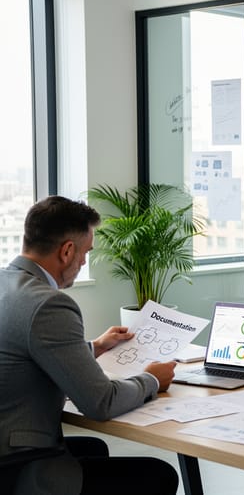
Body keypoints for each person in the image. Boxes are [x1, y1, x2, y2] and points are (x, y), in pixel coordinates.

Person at [0, 195, 179, 495]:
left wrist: (94, 347)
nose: (84, 262)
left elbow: (24, 351)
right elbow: (101, 402)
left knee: (93, 447)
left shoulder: (9, 285)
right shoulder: (49, 304)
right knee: (159, 475)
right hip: (17, 464)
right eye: (85, 253)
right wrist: (151, 380)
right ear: (68, 251)